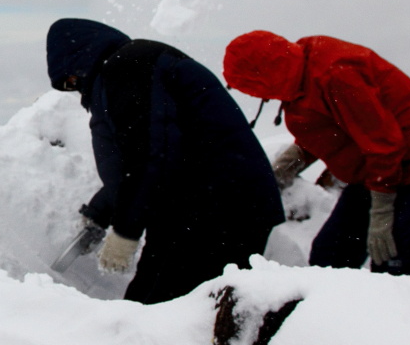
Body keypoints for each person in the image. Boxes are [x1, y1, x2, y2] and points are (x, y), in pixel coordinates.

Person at [47, 18, 284, 304]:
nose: (75, 88)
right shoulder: (131, 68)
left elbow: (149, 155)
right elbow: (134, 162)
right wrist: (100, 214)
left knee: (162, 312)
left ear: (80, 57)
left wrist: (126, 231)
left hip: (217, 208)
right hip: (208, 205)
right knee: (162, 309)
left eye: (71, 80)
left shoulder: (127, 68)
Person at [223, 31, 410, 278]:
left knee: (391, 264)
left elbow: (383, 142)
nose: (256, 97)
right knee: (331, 256)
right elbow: (329, 128)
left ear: (267, 76)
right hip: (373, 169)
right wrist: (284, 168)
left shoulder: (336, 75)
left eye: (252, 88)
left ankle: (403, 311)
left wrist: (381, 214)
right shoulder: (298, 72)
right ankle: (334, 314)